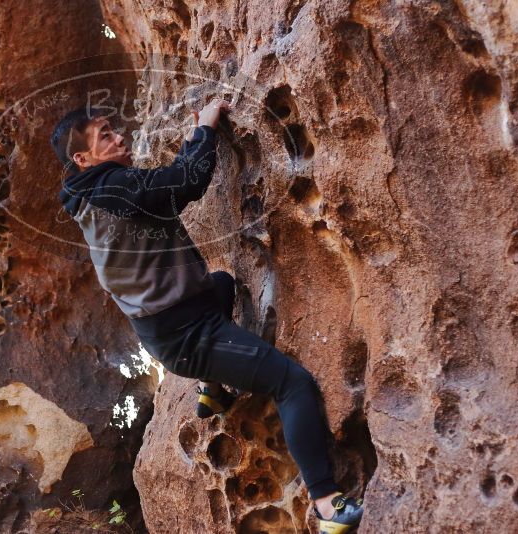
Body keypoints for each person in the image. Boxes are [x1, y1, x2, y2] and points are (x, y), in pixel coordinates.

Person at [52, 98, 364, 533]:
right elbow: (186, 182)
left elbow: (165, 190)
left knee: (223, 283)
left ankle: (212, 391)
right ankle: (328, 503)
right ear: (83, 158)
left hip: (173, 325)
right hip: (188, 335)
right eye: (105, 135)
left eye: (113, 128)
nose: (119, 136)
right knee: (292, 383)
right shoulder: (112, 188)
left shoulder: (95, 194)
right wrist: (205, 129)